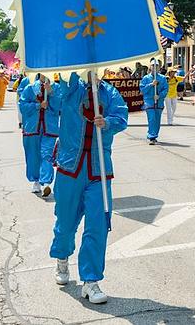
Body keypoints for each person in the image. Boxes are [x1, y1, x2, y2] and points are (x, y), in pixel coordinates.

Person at [50, 72, 128, 304]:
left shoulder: (109, 92)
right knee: (65, 223)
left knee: (98, 225)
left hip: (99, 170)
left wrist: (109, 123)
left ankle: (91, 281)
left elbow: (121, 117)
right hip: (69, 169)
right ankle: (62, 258)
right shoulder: (70, 85)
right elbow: (58, 98)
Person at [18, 74, 62, 197]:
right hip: (32, 128)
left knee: (47, 154)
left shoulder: (56, 88)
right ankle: (36, 181)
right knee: (33, 155)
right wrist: (38, 105)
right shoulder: (30, 87)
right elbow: (22, 106)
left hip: (50, 128)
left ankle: (46, 182)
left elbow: (61, 107)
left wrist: (51, 93)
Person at [140, 64, 168, 145]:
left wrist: (160, 96)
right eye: (153, 66)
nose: (155, 68)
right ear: (150, 68)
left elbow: (165, 89)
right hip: (149, 102)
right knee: (151, 118)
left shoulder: (162, 78)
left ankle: (155, 135)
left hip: (159, 102)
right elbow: (142, 90)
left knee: (157, 119)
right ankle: (151, 136)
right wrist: (151, 85)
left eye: (156, 66)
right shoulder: (146, 78)